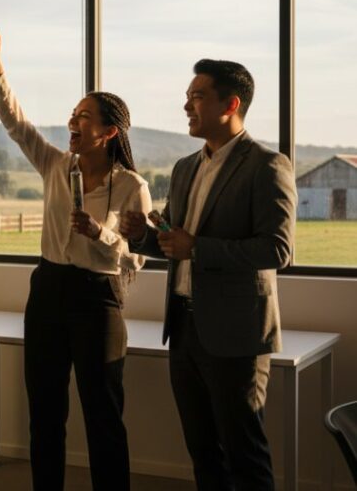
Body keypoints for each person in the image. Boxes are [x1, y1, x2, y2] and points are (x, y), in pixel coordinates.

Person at [0, 27, 151, 491]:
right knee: (46, 413)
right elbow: (17, 124)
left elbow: (136, 260)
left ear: (109, 131)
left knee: (103, 417)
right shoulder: (56, 165)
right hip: (49, 290)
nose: (73, 123)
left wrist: (101, 234)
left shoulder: (133, 186)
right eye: (73, 115)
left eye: (84, 118)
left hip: (99, 299)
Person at [121, 59, 297, 490]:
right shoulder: (185, 167)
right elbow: (174, 242)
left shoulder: (267, 165)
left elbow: (278, 249)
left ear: (230, 104)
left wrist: (196, 247)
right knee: (202, 452)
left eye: (197, 97)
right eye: (188, 97)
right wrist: (144, 235)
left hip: (236, 335)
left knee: (245, 455)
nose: (186, 106)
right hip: (183, 328)